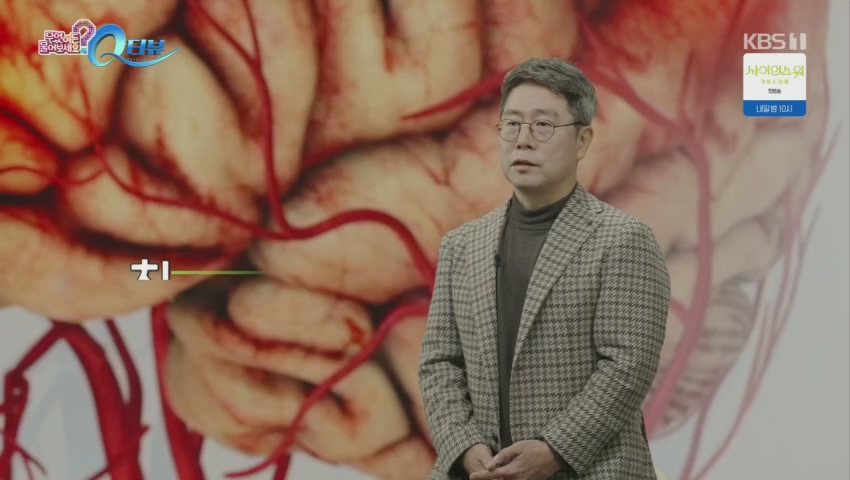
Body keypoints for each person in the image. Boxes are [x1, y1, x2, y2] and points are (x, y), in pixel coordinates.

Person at [417, 58, 671, 480]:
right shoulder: (461, 246)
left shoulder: (623, 240)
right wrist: (463, 445)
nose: (523, 140)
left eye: (543, 126)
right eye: (512, 124)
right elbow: (439, 362)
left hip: (590, 470)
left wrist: (554, 450)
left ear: (583, 140)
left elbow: (627, 366)